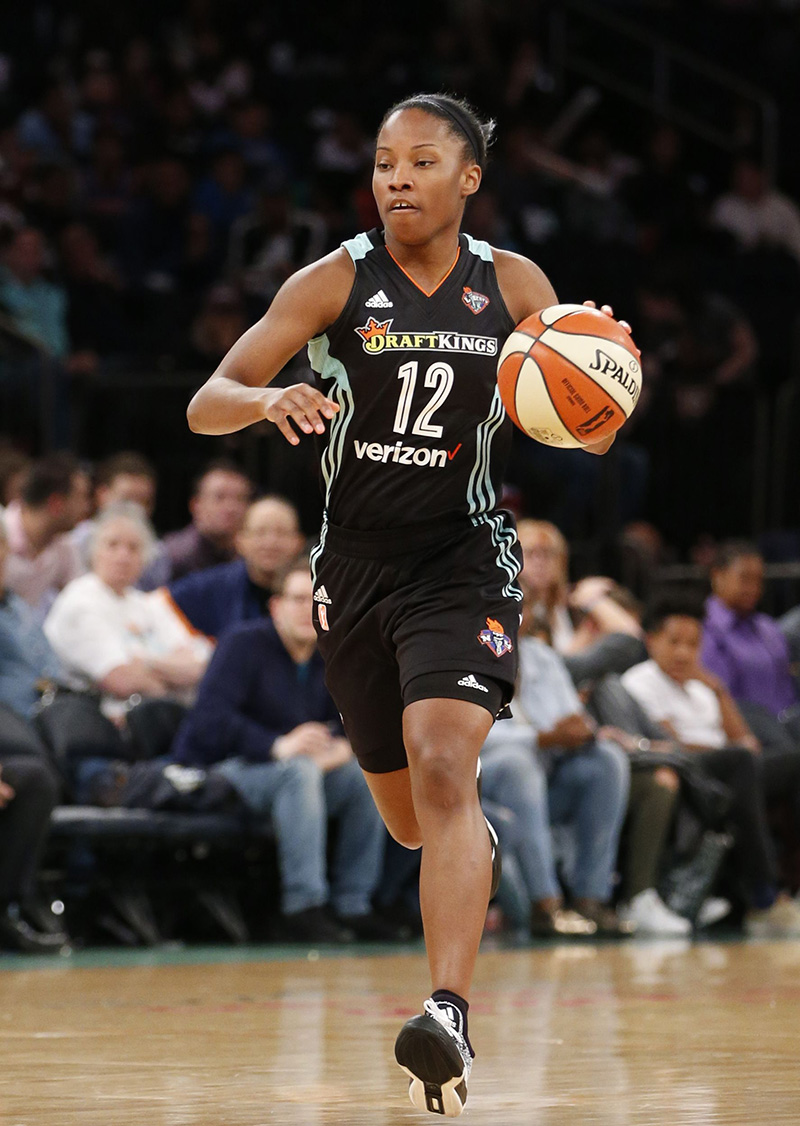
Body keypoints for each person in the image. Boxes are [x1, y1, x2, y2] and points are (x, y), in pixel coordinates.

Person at [185, 92, 626, 1117]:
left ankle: (447, 1008)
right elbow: (210, 396)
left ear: (467, 178)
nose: (395, 178)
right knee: (411, 817)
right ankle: (469, 843)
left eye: (421, 161)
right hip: (354, 567)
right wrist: (266, 398)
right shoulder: (332, 279)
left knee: (443, 761)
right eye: (383, 160)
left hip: (463, 556)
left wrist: (602, 383)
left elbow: (589, 433)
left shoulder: (512, 283)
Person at [172, 558, 393, 943]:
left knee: (363, 777)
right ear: (275, 606)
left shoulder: (330, 653)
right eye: (296, 599)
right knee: (299, 772)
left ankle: (354, 904)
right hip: (221, 771)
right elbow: (209, 722)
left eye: (315, 601)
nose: (306, 610)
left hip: (293, 776)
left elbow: (353, 716)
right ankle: (303, 907)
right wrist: (278, 745)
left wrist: (343, 745)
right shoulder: (242, 644)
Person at [622, 594, 800, 937]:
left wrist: (717, 688)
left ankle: (783, 887)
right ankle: (764, 894)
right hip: (686, 772)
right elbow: (671, 745)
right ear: (651, 640)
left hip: (731, 773)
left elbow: (747, 741)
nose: (683, 653)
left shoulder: (702, 689)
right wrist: (728, 749)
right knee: (739, 762)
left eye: (692, 644)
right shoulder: (639, 681)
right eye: (674, 641)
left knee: (791, 764)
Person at [479, 610, 631, 938]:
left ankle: (591, 898)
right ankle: (545, 904)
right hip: (484, 780)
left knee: (607, 758)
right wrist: (543, 737)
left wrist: (583, 730)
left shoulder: (542, 657)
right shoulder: (467, 651)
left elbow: (570, 718)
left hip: (546, 776)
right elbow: (473, 738)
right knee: (517, 763)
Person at [44, 503, 212, 723]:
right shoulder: (80, 600)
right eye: (112, 545)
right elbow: (122, 680)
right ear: (93, 551)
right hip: (100, 727)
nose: (123, 556)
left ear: (146, 558)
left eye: (133, 548)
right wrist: (176, 681)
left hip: (162, 722)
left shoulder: (148, 602)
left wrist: (146, 663)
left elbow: (203, 666)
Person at [702, 540, 800, 753]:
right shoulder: (705, 629)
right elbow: (719, 697)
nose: (753, 589)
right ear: (717, 576)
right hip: (748, 731)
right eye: (745, 579)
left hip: (788, 721)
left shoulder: (768, 627)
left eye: (758, 581)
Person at [166, 495, 304, 639]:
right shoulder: (210, 586)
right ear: (240, 541)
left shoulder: (317, 590)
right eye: (260, 532)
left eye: (281, 533)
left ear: (298, 542)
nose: (270, 543)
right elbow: (156, 606)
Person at [139, 458, 253, 589]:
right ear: (195, 505)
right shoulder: (168, 556)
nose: (231, 507)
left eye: (240, 498)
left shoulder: (250, 558)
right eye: (220, 497)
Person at [3, 453, 91, 620]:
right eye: (81, 497)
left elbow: (83, 599)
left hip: (27, 636)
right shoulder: (2, 532)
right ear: (56, 504)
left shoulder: (64, 546)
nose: (87, 507)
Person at [70, 451, 158, 571]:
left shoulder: (157, 553)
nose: (135, 510)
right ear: (102, 495)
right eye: (126, 500)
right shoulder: (76, 543)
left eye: (144, 502)